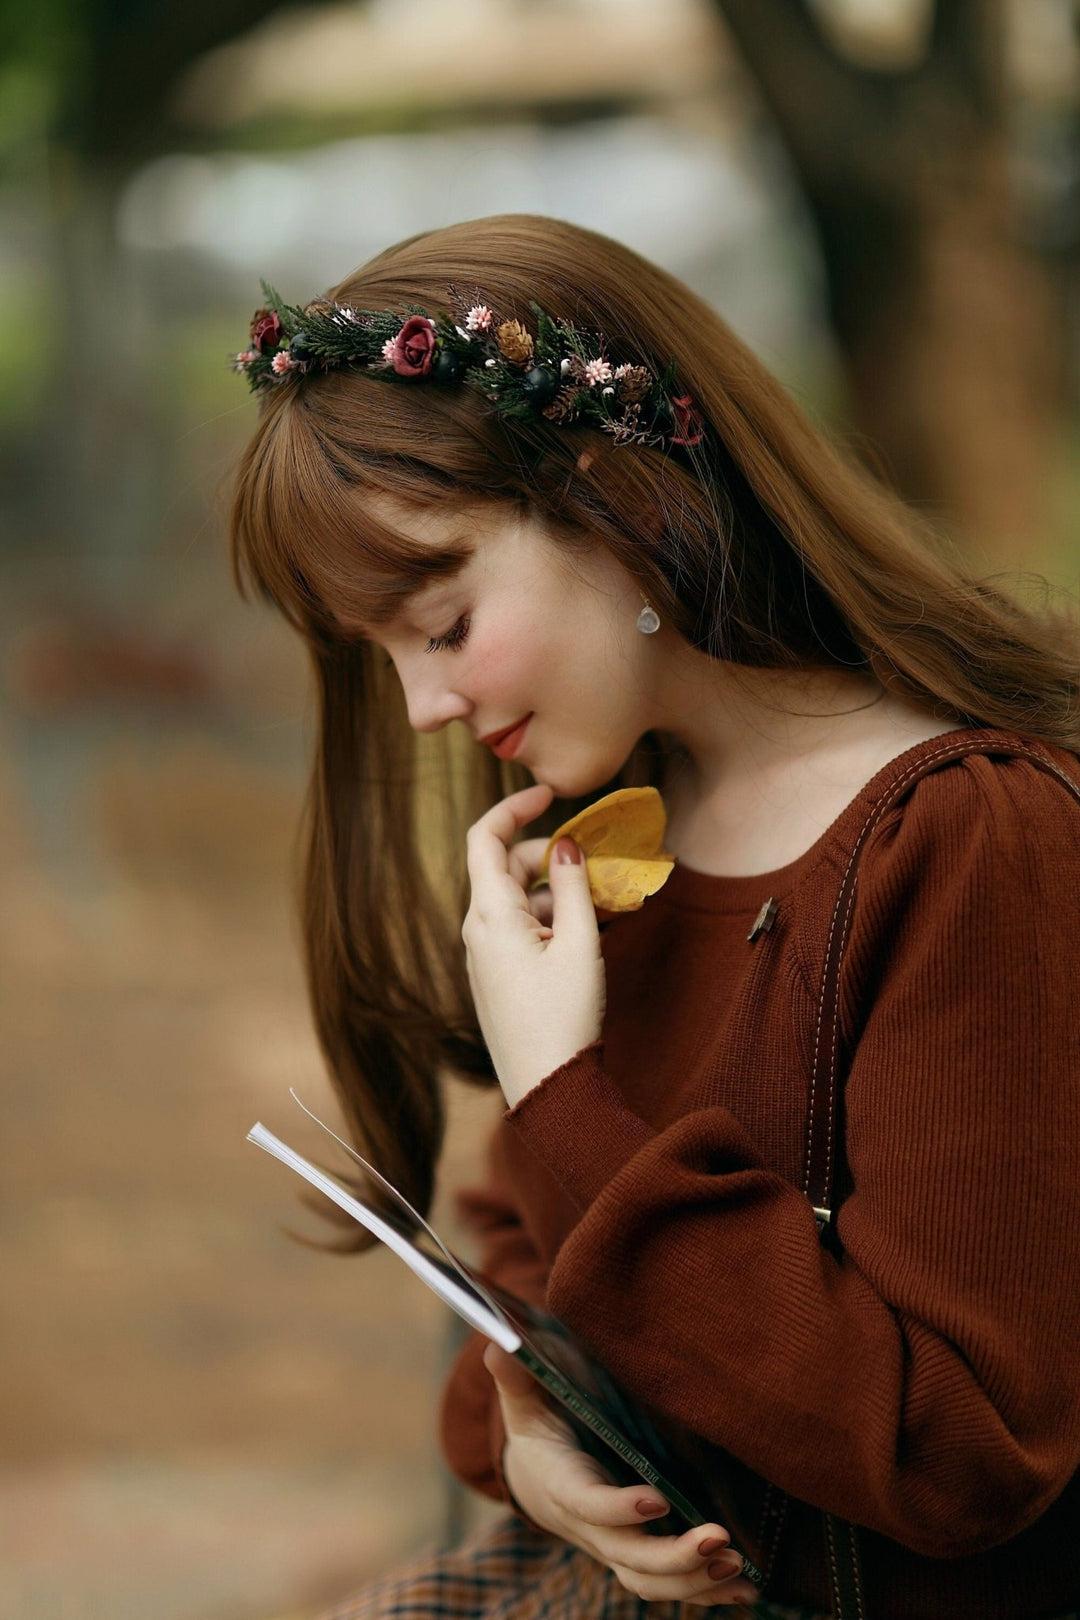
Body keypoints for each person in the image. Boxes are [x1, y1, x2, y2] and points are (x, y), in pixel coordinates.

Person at [229, 215, 1080, 1620]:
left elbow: (959, 1456)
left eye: (439, 625)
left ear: (619, 495)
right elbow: (529, 1262)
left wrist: (564, 1091)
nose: (424, 708)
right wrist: (530, 1436)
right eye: (376, 658)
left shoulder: (979, 840)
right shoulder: (614, 837)